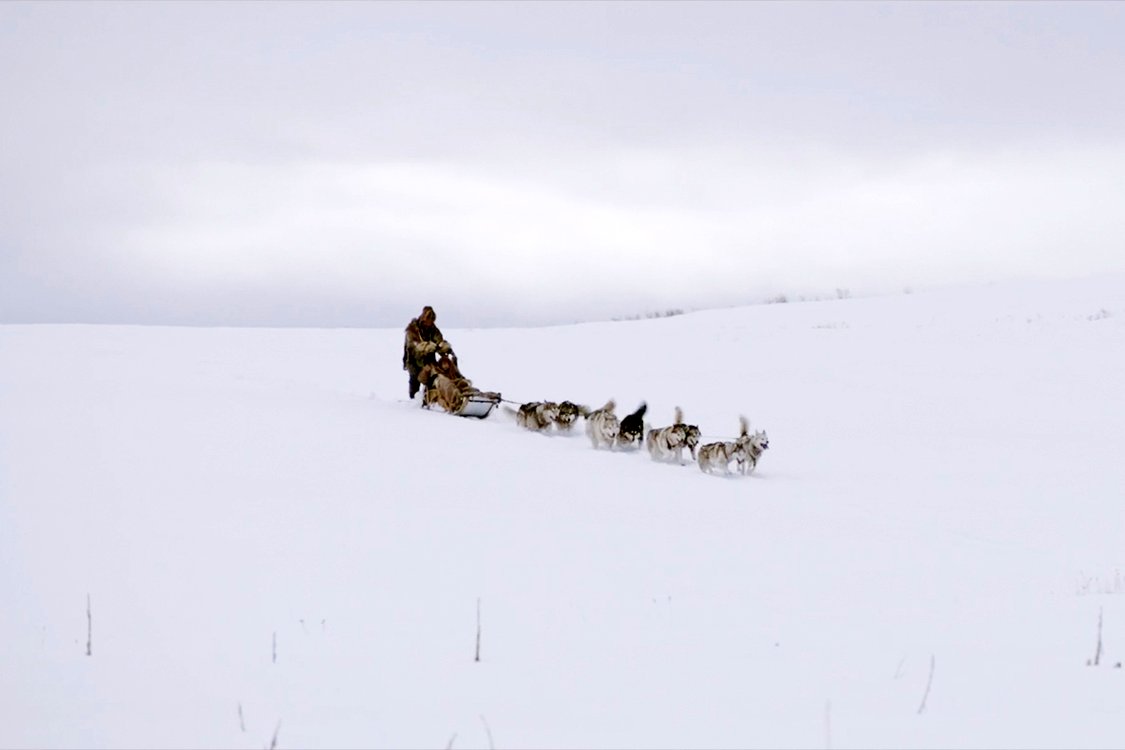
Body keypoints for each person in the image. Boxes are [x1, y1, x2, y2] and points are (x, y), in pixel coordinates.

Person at [403, 305, 452, 399]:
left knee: (432, 379)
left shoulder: (433, 329)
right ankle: (413, 403)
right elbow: (414, 345)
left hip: (429, 361)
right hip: (414, 361)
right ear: (424, 319)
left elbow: (439, 340)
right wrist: (427, 346)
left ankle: (430, 399)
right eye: (429, 321)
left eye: (432, 321)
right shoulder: (412, 330)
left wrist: (443, 347)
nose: (430, 323)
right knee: (414, 381)